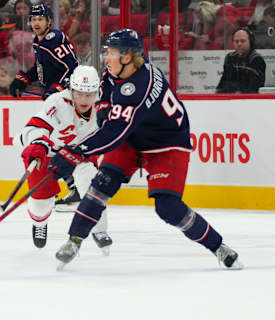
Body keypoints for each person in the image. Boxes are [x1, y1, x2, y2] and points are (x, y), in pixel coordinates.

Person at [49, 29, 243, 270]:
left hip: (167, 143)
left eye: (111, 53)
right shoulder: (122, 70)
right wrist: (103, 110)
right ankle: (74, 240)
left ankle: (218, 246)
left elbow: (113, 133)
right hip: (135, 136)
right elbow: (108, 92)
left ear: (128, 57)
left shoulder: (139, 88)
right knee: (101, 184)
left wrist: (74, 153)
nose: (106, 58)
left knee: (168, 207)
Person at [20, 65, 112, 252]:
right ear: (71, 89)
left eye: (89, 94)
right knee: (40, 204)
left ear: (97, 91)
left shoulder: (104, 104)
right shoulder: (57, 102)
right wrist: (37, 142)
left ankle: (100, 229)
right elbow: (35, 126)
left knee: (93, 184)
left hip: (81, 154)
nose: (84, 99)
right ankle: (39, 223)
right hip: (51, 153)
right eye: (79, 93)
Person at [9, 3, 78, 100]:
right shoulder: (37, 41)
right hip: (50, 95)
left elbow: (72, 68)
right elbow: (42, 68)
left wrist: (58, 88)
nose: (36, 23)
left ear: (49, 21)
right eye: (34, 19)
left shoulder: (55, 40)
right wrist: (24, 79)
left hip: (66, 98)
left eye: (40, 19)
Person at [216, 27, 266, 93]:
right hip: (230, 97)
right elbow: (223, 82)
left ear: (250, 42)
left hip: (249, 100)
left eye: (243, 41)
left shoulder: (256, 59)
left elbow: (253, 88)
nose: (239, 44)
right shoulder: (230, 57)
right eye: (236, 41)